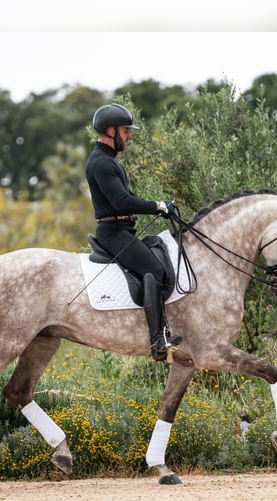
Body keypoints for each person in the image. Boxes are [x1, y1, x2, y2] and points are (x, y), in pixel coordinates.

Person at [85, 103, 182, 361]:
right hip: (113, 232)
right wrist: (157, 206)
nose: (129, 136)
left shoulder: (109, 161)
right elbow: (122, 203)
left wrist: (159, 207)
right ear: (111, 130)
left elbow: (128, 197)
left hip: (121, 229)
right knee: (154, 269)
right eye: (126, 130)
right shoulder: (101, 163)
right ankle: (158, 340)